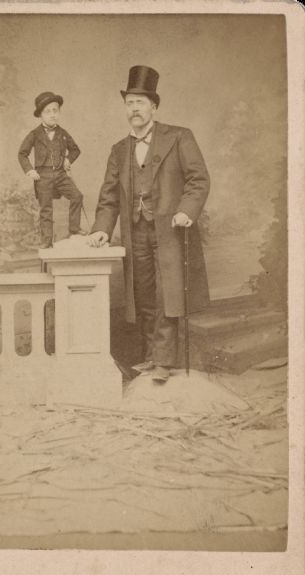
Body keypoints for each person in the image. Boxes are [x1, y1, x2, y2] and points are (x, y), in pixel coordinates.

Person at [88, 65, 210, 383]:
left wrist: (186, 211)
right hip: (136, 232)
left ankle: (163, 361)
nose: (135, 109)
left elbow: (198, 179)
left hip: (170, 229)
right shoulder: (118, 150)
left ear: (154, 106)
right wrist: (102, 228)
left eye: (141, 103)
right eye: (130, 103)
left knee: (165, 294)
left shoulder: (179, 136)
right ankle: (148, 356)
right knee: (142, 295)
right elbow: (109, 197)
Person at [18, 91, 87, 249]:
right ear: (41, 115)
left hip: (61, 175)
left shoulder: (63, 133)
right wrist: (30, 170)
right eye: (47, 111)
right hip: (43, 176)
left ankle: (74, 229)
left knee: (77, 196)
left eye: (55, 110)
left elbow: (75, 150)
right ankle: (46, 242)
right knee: (46, 209)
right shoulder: (34, 134)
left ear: (59, 112)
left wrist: (68, 159)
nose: (52, 115)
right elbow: (22, 154)